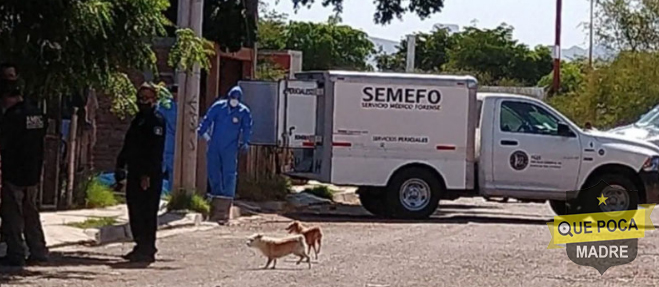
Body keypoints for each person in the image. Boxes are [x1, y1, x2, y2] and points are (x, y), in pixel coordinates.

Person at [115, 82, 166, 263]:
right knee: (135, 211)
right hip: (135, 172)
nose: (142, 102)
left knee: (146, 212)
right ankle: (139, 245)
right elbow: (130, 145)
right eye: (140, 98)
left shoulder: (156, 121)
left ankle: (148, 248)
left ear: (154, 100)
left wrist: (146, 175)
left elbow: (154, 151)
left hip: (149, 175)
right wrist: (120, 165)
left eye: (146, 98)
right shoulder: (138, 120)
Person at [0, 78, 49, 267]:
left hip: (14, 171)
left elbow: (4, 141)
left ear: (7, 97)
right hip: (33, 171)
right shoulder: (37, 113)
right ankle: (38, 250)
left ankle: (16, 252)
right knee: (31, 213)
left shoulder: (13, 116)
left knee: (12, 214)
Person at [197, 85, 252, 224]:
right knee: (213, 169)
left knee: (229, 172)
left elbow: (247, 128)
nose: (234, 100)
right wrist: (203, 132)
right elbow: (208, 119)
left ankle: (227, 197)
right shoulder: (219, 107)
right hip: (215, 144)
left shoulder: (243, 111)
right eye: (232, 98)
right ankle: (216, 194)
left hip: (230, 147)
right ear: (228, 97)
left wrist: (245, 142)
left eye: (237, 98)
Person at [155, 84, 177, 195]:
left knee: (161, 166)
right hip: (170, 140)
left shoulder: (163, 105)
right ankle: (170, 192)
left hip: (164, 139)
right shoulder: (174, 107)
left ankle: (160, 191)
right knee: (171, 167)